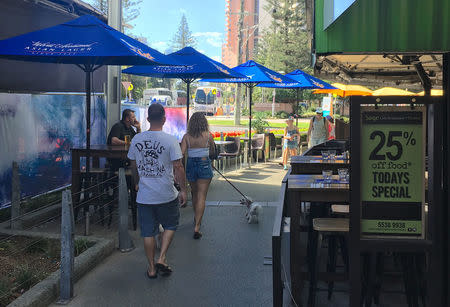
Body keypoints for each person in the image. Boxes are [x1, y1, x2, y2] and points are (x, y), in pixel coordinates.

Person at [128, 103, 187, 278]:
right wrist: (183, 190)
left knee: (148, 232)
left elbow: (133, 164)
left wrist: (136, 182)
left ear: (147, 119)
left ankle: (152, 268)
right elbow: (178, 167)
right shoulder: (170, 140)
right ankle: (162, 257)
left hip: (144, 195)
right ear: (164, 119)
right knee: (170, 225)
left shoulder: (136, 140)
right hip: (166, 193)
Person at [180, 112, 215, 239]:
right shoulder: (208, 136)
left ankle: (196, 217)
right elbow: (212, 152)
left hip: (191, 165)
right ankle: (197, 226)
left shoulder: (186, 137)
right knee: (202, 196)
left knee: (194, 194)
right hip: (205, 164)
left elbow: (181, 154)